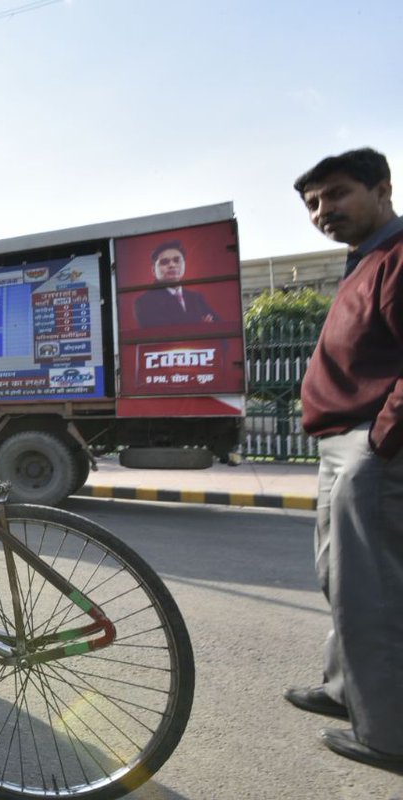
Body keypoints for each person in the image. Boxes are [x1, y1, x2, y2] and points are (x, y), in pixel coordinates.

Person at [286, 147, 403, 771]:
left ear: (382, 188)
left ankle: (389, 733)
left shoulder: (398, 255)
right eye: (313, 203)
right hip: (343, 444)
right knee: (340, 579)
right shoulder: (367, 261)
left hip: (373, 444)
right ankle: (344, 691)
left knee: (375, 590)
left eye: (335, 195)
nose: (322, 211)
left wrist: (382, 441)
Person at [133, 242, 218, 328]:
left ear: (184, 264)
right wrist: (199, 325)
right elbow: (164, 333)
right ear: (153, 270)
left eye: (177, 260)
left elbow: (218, 326)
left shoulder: (196, 298)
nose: (172, 265)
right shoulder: (144, 302)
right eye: (164, 262)